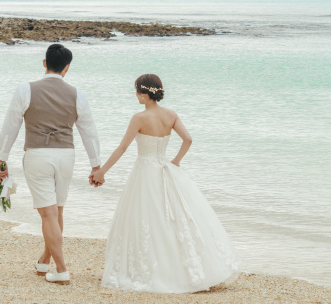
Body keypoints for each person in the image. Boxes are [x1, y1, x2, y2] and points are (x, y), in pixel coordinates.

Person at [91, 74, 239, 293]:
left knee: (147, 220)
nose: (136, 96)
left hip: (144, 173)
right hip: (166, 170)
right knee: (175, 220)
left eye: (137, 92)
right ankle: (188, 269)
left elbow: (122, 148)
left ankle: (154, 270)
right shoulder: (171, 115)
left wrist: (102, 171)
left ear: (144, 94)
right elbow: (188, 139)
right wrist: (176, 161)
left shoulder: (138, 118)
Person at [0, 43, 101, 285]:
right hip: (66, 155)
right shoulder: (78, 95)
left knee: (48, 214)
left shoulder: (26, 90)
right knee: (56, 211)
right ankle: (45, 261)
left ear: (44, 63)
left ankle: (62, 269)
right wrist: (95, 164)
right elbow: (89, 132)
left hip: (38, 156)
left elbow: (10, 125)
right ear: (67, 68)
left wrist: (2, 157)